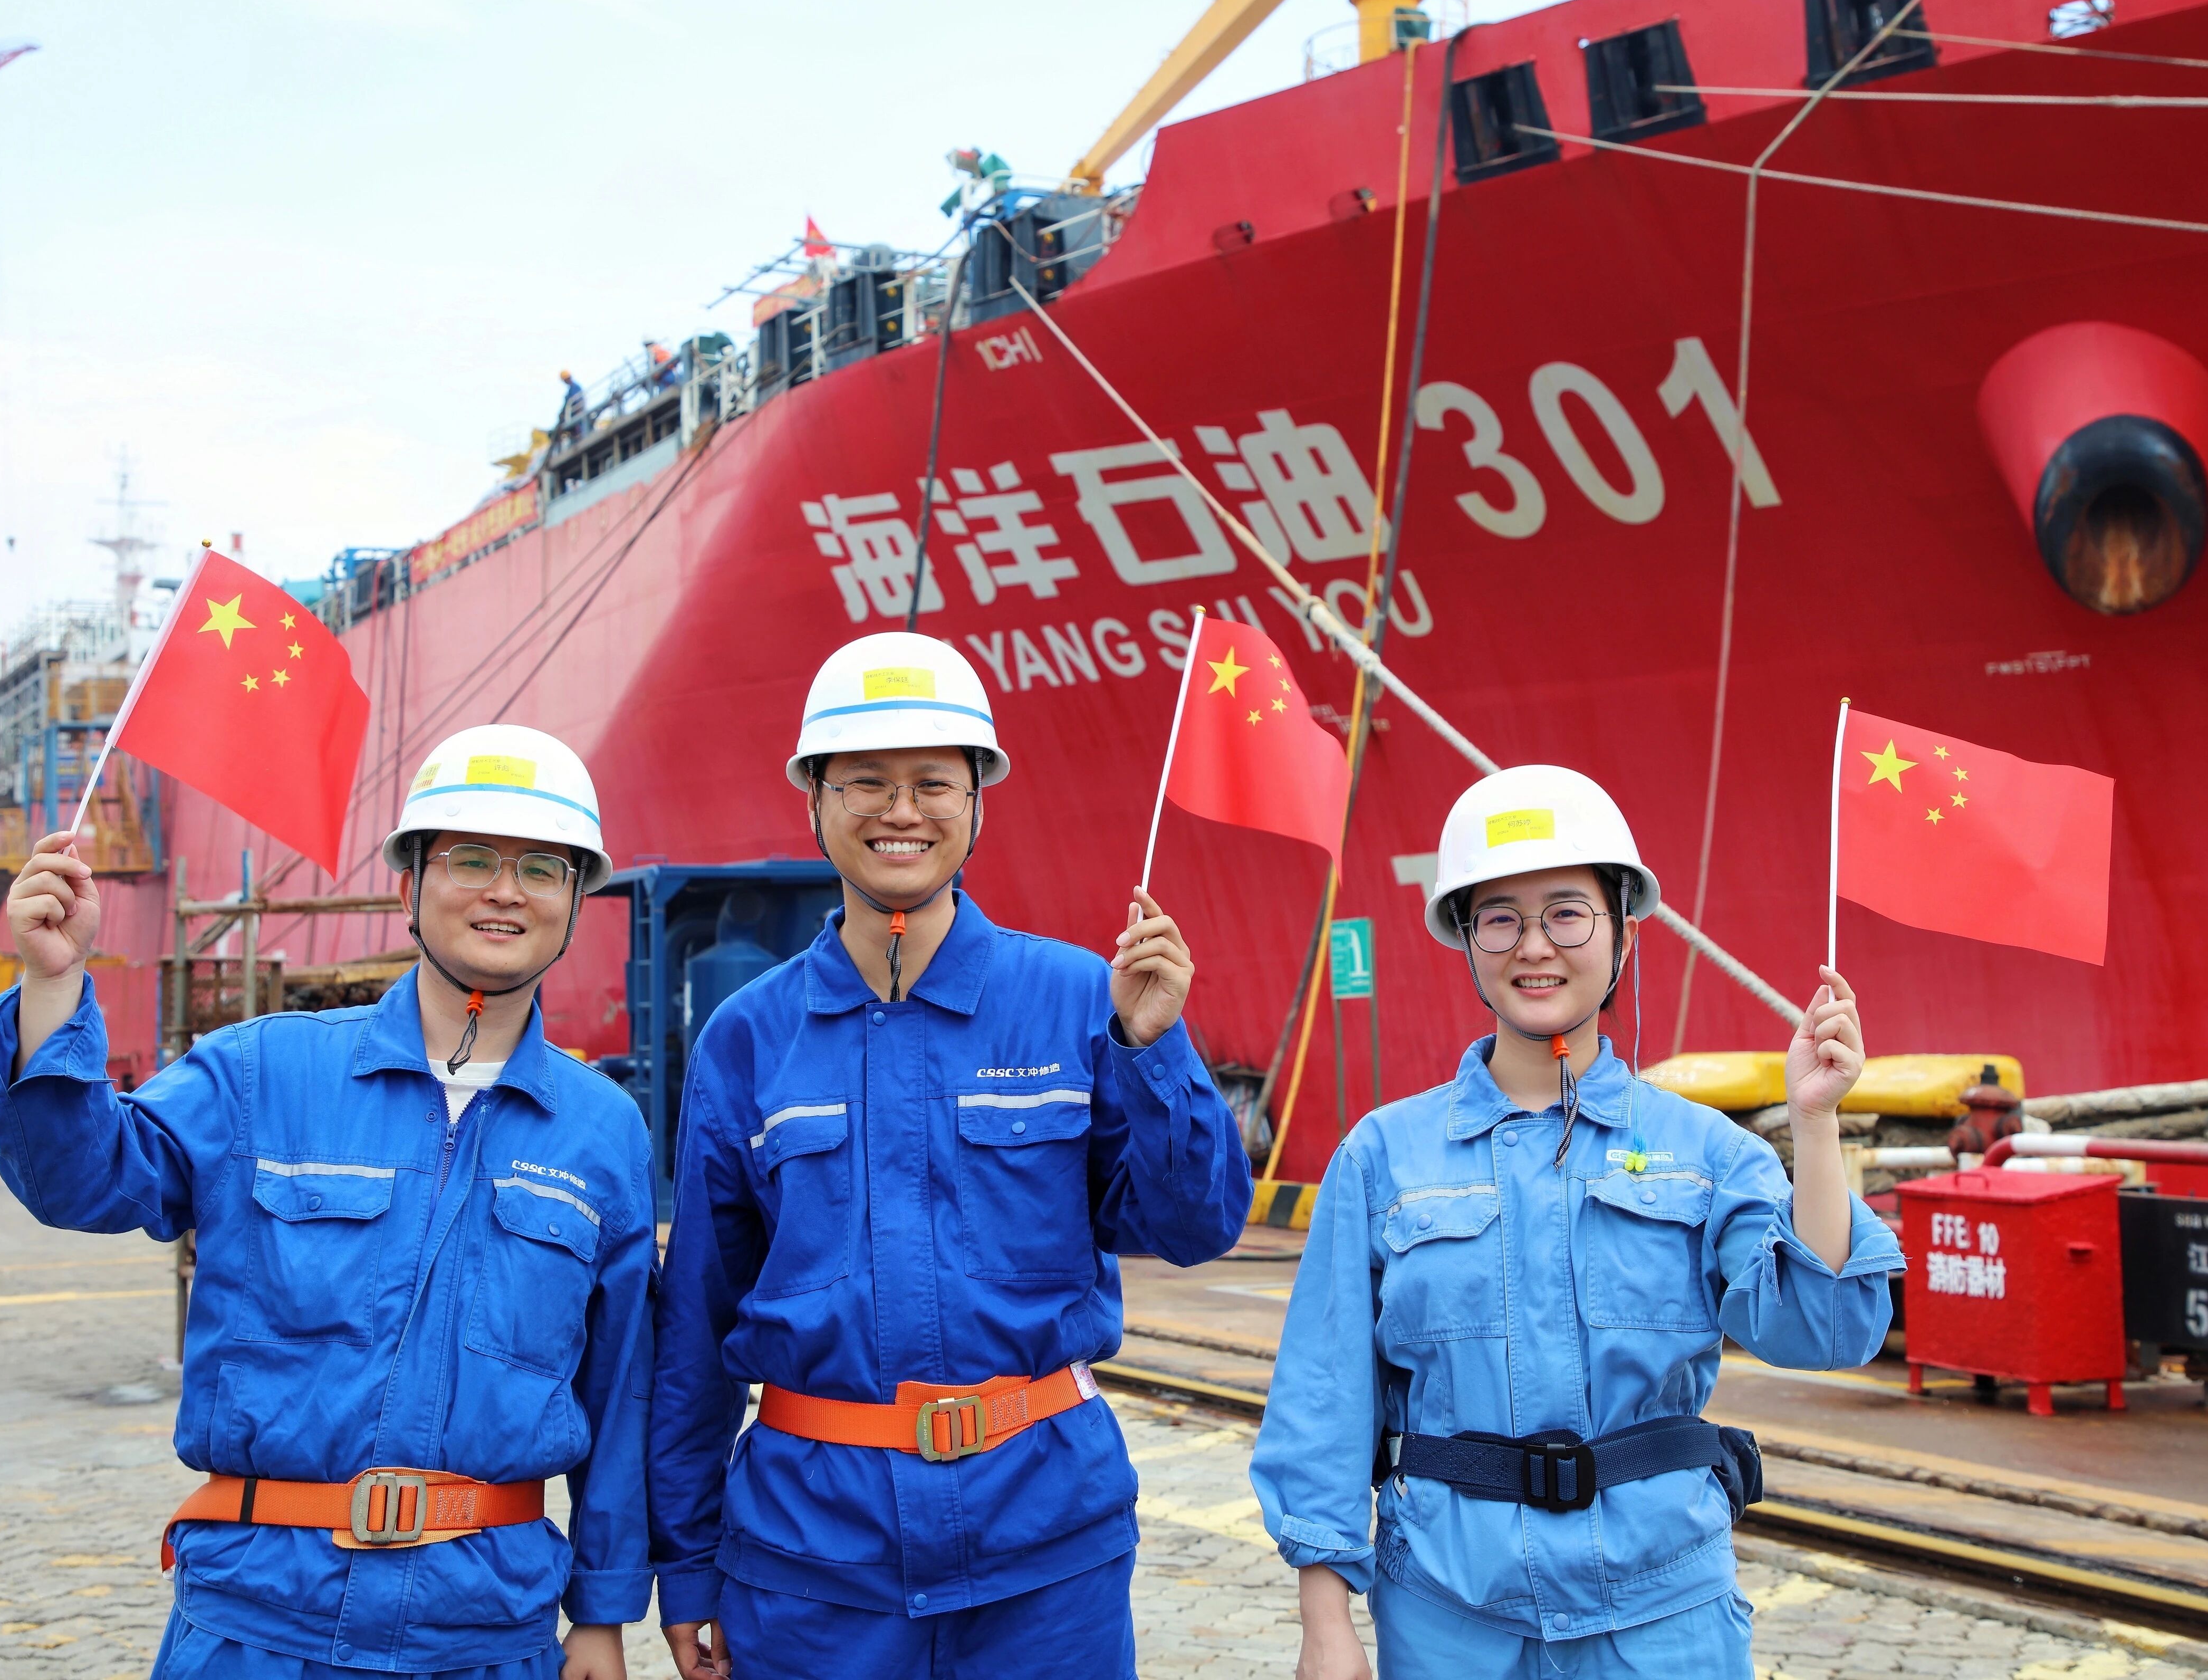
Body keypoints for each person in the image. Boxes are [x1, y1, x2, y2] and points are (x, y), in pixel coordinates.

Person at [0, 725, 656, 1680]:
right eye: (471, 859)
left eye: (542, 868)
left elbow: (622, 1390)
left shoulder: (602, 1129)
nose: (506, 890)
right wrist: (52, 982)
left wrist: (604, 1615)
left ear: (576, 900)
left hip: (485, 1631)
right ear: (409, 885)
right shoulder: (263, 1073)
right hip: (259, 1623)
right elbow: (82, 1181)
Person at [650, 632, 1254, 1680]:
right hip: (812, 1567)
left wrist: (1154, 1050)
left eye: (934, 782)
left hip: (1044, 1560)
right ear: (813, 800)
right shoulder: (746, 1039)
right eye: (865, 782)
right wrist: (687, 1567)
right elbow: (696, 1331)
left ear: (979, 800)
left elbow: (1195, 1228)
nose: (902, 811)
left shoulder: (1083, 999)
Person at [1249, 765, 1904, 1679]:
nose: (1534, 947)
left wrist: (1815, 1122)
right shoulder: (1382, 1158)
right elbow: (1325, 1398)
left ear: (1625, 931)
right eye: (1500, 919)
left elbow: (1824, 1329)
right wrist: (1326, 1622)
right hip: (1449, 1613)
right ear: (1467, 939)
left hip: (1663, 1616)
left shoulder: (1706, 1154)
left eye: (1567, 913)